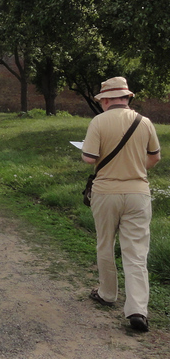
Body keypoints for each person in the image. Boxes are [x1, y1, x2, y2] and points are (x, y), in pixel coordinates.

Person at [81, 76, 161, 332]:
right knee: (136, 252)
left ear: (105, 100)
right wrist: (134, 170)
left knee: (105, 243)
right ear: (127, 97)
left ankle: (107, 293)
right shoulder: (144, 122)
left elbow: (88, 158)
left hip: (106, 192)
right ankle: (138, 309)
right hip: (138, 192)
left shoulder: (98, 122)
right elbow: (155, 157)